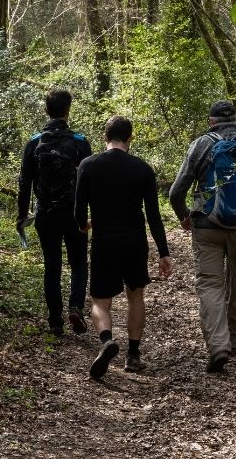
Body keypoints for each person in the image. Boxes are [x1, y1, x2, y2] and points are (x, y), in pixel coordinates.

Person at [169, 100, 236, 372]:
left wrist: (185, 216)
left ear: (211, 121)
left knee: (210, 284)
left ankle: (218, 345)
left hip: (207, 226)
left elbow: (176, 192)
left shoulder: (202, 145)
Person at [74, 116, 173, 379]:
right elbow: (153, 216)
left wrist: (84, 225)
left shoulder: (88, 165)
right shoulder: (142, 169)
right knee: (136, 296)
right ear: (130, 138)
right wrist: (163, 252)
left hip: (104, 241)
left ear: (105, 137)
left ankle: (107, 340)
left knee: (100, 301)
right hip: (134, 241)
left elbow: (78, 210)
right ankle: (133, 355)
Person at [18, 89, 92, 336]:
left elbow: (24, 183)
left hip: (45, 213)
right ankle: (76, 307)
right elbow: (88, 182)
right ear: (68, 110)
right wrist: (90, 213)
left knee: (52, 265)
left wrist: (22, 215)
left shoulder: (34, 142)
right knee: (79, 262)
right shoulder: (80, 142)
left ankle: (55, 321)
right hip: (74, 214)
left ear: (46, 110)